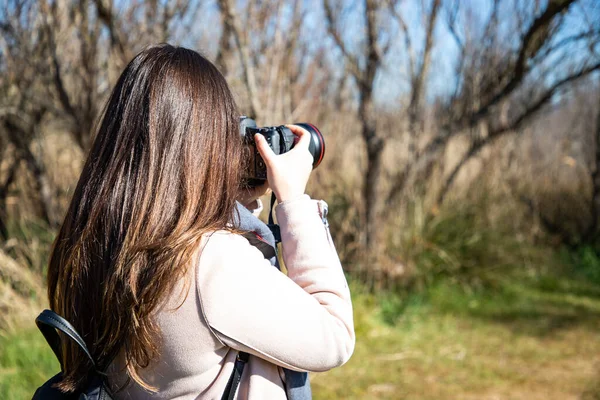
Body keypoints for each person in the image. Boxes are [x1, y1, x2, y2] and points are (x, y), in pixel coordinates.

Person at [47, 44, 355, 399]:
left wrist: (231, 198)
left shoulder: (95, 245)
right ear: (204, 147)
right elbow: (334, 336)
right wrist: (294, 202)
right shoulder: (212, 264)